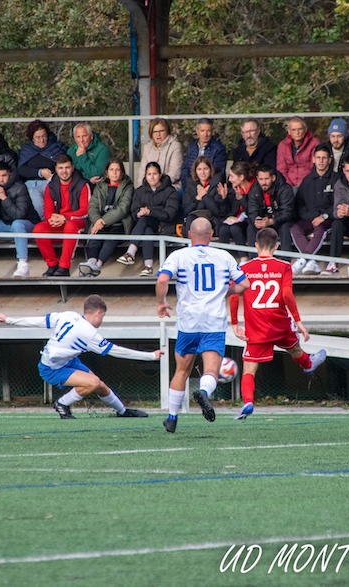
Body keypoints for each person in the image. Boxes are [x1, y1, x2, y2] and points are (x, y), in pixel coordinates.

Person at [0, 294, 158, 419]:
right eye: (103, 316)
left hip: (67, 360)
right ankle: (62, 403)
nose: (102, 320)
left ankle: (123, 411)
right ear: (98, 312)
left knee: (99, 384)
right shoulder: (88, 333)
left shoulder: (68, 315)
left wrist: (10, 320)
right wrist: (150, 356)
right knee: (93, 383)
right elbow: (116, 351)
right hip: (51, 368)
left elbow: (39, 321)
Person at [156, 216, 249, 433]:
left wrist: (161, 303)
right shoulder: (223, 256)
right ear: (211, 235)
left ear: (189, 234)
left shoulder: (178, 255)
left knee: (181, 370)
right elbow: (244, 283)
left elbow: (162, 280)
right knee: (211, 370)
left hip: (188, 322)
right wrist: (228, 291)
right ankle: (204, 392)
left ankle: (172, 417)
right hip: (213, 321)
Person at [229, 227, 327, 420]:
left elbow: (234, 295)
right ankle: (307, 364)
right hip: (279, 323)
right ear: (277, 246)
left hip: (256, 326)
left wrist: (234, 323)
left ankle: (248, 401)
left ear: (256, 245)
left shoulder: (245, 268)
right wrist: (298, 320)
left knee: (249, 370)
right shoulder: (284, 266)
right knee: (294, 347)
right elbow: (286, 294)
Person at [0, 162, 39, 279]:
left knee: (17, 224)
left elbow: (20, 215)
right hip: (6, 225)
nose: (1, 179)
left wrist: (4, 198)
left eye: (4, 175)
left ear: (9, 175)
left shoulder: (19, 187)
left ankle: (23, 263)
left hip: (27, 224)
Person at [117, 162, 179, 276]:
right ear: (145, 175)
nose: (152, 177)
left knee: (145, 220)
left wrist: (150, 211)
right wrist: (139, 214)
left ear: (160, 175)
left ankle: (131, 252)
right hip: (145, 226)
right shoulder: (140, 191)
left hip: (163, 226)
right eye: (149, 174)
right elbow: (134, 211)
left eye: (155, 173)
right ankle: (148, 266)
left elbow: (170, 213)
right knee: (146, 228)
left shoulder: (170, 191)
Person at [33, 155, 90, 277]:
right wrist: (53, 219)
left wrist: (65, 218)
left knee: (70, 226)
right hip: (59, 221)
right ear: (56, 169)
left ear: (73, 168)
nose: (64, 171)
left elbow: (85, 210)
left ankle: (64, 267)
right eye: (60, 168)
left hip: (78, 221)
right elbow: (47, 211)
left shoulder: (83, 184)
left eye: (67, 167)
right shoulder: (51, 186)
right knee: (39, 229)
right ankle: (52, 265)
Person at [79, 159, 133, 276]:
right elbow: (92, 206)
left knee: (110, 238)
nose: (114, 173)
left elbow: (122, 209)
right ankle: (91, 261)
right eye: (111, 169)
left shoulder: (128, 186)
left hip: (119, 223)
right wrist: (97, 220)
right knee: (95, 237)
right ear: (106, 172)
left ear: (122, 172)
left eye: (117, 170)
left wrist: (102, 221)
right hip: (100, 221)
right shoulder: (100, 186)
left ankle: (98, 265)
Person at [291, 146, 338, 274]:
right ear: (313, 159)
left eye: (324, 158)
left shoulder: (336, 179)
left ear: (329, 160)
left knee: (320, 229)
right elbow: (299, 204)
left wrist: (324, 216)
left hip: (327, 220)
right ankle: (311, 262)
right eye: (318, 158)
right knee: (295, 228)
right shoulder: (307, 180)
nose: (321, 161)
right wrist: (311, 216)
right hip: (309, 218)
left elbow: (339, 203)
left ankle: (303, 260)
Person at [17, 119, 68, 218]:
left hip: (52, 181)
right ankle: (45, 221)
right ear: (32, 138)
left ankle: (49, 221)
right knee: (33, 194)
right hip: (31, 184)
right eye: (38, 137)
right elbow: (21, 170)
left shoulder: (56, 147)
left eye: (44, 136)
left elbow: (64, 166)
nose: (42, 140)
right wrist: (40, 172)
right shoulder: (27, 150)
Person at [248, 165, 295, 253]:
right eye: (261, 179)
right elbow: (252, 211)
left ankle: (286, 261)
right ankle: (253, 259)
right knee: (251, 227)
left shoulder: (284, 189)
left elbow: (287, 213)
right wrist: (256, 220)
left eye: (266, 179)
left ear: (273, 178)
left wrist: (272, 221)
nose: (263, 182)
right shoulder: (254, 190)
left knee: (285, 227)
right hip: (263, 221)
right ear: (257, 178)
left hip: (279, 221)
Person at [212, 162, 256, 256]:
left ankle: (243, 257)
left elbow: (253, 211)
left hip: (250, 221)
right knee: (223, 228)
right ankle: (223, 257)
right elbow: (226, 213)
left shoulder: (255, 188)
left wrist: (242, 199)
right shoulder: (234, 189)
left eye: (232, 176)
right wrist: (224, 198)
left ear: (241, 177)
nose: (230, 179)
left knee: (235, 228)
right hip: (236, 221)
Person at [180, 117, 227, 190]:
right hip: (190, 187)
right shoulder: (191, 147)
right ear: (197, 131)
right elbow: (185, 170)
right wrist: (189, 187)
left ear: (212, 132)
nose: (205, 134)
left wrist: (204, 189)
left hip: (210, 188)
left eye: (208, 131)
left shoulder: (219, 148)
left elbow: (217, 172)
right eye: (202, 131)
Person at [137, 117, 183, 189]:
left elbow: (175, 172)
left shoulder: (175, 146)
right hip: (149, 186)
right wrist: (141, 188)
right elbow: (142, 171)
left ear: (167, 131)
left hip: (170, 186)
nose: (158, 134)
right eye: (155, 132)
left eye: (161, 131)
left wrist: (158, 185)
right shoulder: (147, 148)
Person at [276, 116, 319, 190]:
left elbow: (314, 167)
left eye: (300, 129)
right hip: (288, 185)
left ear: (305, 130)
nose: (297, 132)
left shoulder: (314, 143)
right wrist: (287, 185)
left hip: (309, 184)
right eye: (294, 130)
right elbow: (281, 169)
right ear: (289, 131)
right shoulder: (283, 145)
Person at [181, 155, 224, 227]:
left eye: (206, 169)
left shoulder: (217, 183)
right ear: (195, 171)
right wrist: (197, 198)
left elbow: (217, 211)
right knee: (190, 220)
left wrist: (204, 196)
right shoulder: (190, 184)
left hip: (211, 217)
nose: (202, 172)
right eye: (199, 169)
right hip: (195, 216)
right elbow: (186, 210)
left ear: (210, 170)